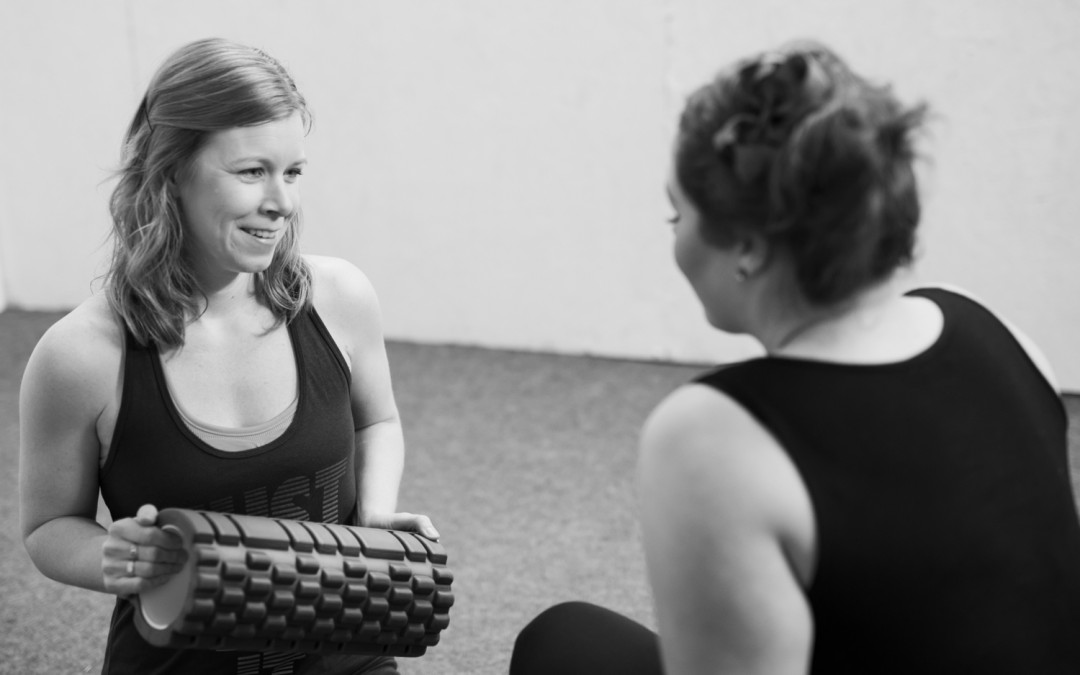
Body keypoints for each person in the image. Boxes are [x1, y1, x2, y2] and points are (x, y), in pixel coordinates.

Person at [510, 40, 1080, 674]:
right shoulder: (994, 328)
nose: (674, 240)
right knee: (569, 639)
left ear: (748, 248)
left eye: (677, 217)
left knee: (559, 649)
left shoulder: (711, 437)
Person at [19, 37, 438, 674]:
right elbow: (48, 527)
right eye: (251, 172)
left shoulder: (339, 298)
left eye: (292, 172)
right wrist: (118, 559)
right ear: (171, 172)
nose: (282, 202)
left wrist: (375, 514)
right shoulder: (81, 356)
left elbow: (376, 421)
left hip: (347, 660)